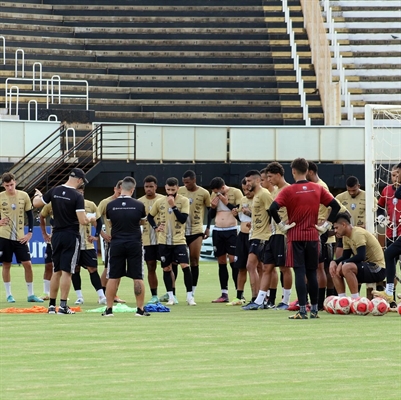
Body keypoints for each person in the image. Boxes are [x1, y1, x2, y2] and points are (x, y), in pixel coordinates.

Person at [269, 158, 340, 319]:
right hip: (313, 236)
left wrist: (281, 226)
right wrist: (326, 226)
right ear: (307, 170)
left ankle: (302, 310)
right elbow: (335, 206)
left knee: (300, 272)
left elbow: (272, 208)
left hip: (295, 236)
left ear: (293, 171)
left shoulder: (287, 191)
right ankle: (314, 310)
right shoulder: (317, 188)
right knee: (312, 272)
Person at [33, 168, 96, 314]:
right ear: (79, 180)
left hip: (56, 234)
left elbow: (37, 203)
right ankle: (62, 306)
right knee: (67, 271)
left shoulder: (54, 191)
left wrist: (38, 195)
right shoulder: (77, 196)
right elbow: (82, 220)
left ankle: (51, 305)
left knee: (57, 270)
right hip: (71, 235)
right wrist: (91, 218)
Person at [103, 176, 149, 317]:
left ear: (120, 188)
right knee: (138, 276)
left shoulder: (110, 205)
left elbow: (110, 224)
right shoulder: (139, 205)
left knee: (113, 276)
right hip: (134, 243)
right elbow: (143, 222)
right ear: (133, 189)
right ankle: (140, 310)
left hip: (116, 243)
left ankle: (109, 309)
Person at [147, 177, 195, 306]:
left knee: (185, 266)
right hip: (163, 241)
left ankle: (190, 296)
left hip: (179, 240)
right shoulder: (159, 201)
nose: (170, 192)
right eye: (168, 189)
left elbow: (183, 219)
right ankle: (170, 297)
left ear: (177, 188)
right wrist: (156, 227)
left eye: (173, 190)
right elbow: (150, 217)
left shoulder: (184, 201)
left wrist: (173, 206)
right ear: (165, 188)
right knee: (166, 268)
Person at [0, 172, 43, 303]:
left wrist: (29, 232)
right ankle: (9, 295)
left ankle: (30, 294)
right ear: (3, 185)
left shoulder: (23, 196)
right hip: (4, 235)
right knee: (6, 264)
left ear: (15, 182)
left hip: (20, 236)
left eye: (12, 184)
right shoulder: (0, 197)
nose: (10, 188)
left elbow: (29, 215)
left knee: (28, 264)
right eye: (7, 185)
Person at [335, 175, 378, 299]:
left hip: (362, 236)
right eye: (349, 190)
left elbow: (375, 216)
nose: (351, 193)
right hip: (346, 236)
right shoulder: (340, 198)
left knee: (356, 263)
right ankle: (341, 296)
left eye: (354, 190)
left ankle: (359, 296)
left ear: (358, 186)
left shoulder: (369, 198)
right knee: (339, 263)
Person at [329, 213, 386, 299]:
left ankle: (355, 299)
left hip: (378, 269)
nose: (335, 231)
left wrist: (343, 263)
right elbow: (346, 256)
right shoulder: (345, 237)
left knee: (346, 267)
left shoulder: (357, 233)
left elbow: (361, 256)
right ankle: (342, 299)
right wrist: (334, 262)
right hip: (365, 267)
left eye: (336, 228)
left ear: (344, 225)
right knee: (334, 268)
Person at [307, 161, 339, 309]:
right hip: (318, 232)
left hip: (323, 235)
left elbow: (334, 207)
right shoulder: (315, 186)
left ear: (311, 172)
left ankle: (321, 302)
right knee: (321, 268)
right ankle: (327, 300)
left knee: (322, 268)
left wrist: (325, 224)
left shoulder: (321, 187)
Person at [241, 170, 274, 310]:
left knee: (251, 265)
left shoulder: (264, 194)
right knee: (261, 268)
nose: (247, 184)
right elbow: (260, 214)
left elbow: (273, 211)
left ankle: (257, 298)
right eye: (246, 181)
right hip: (255, 234)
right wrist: (252, 221)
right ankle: (262, 299)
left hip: (263, 236)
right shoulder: (255, 196)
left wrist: (272, 229)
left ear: (257, 180)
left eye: (249, 181)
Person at [208, 177, 242, 303]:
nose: (217, 194)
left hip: (231, 230)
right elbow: (211, 215)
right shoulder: (214, 194)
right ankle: (224, 293)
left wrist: (226, 202)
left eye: (218, 192)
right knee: (221, 261)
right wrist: (212, 207)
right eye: (215, 192)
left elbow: (238, 213)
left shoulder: (236, 192)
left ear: (223, 187)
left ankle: (239, 293)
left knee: (233, 260)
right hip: (218, 230)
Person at [178, 170, 211, 297]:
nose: (186, 185)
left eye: (188, 182)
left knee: (194, 260)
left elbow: (209, 211)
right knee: (176, 261)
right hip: (180, 231)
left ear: (194, 180)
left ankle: (192, 291)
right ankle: (172, 292)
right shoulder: (180, 191)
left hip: (196, 230)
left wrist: (207, 227)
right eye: (184, 182)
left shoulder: (204, 193)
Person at [72, 184, 106, 305]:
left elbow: (99, 221)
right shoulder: (69, 204)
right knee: (75, 270)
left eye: (81, 192)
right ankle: (79, 296)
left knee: (93, 269)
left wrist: (96, 235)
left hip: (87, 244)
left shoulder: (90, 204)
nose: (79, 195)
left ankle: (101, 296)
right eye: (77, 192)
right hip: (73, 244)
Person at [265, 161, 292, 310]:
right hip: (273, 233)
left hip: (283, 233)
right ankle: (264, 299)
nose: (268, 179)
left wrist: (290, 221)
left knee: (284, 268)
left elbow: (295, 208)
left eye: (270, 176)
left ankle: (286, 300)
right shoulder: (274, 191)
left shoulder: (289, 189)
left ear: (278, 175)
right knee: (267, 267)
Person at [373, 162, 401, 303]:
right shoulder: (387, 190)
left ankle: (390, 292)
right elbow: (379, 206)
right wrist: (382, 218)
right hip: (392, 234)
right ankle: (391, 296)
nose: (394, 178)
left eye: (397, 175)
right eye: (392, 175)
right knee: (390, 260)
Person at [97, 180, 126, 304]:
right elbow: (96, 218)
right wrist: (102, 234)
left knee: (117, 268)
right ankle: (104, 294)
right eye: (119, 191)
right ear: (115, 189)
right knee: (109, 268)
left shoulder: (126, 202)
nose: (120, 194)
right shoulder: (106, 202)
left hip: (124, 239)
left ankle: (112, 293)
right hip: (112, 240)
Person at [138, 175, 164, 304]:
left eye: (151, 187)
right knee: (150, 266)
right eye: (146, 187)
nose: (149, 189)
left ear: (156, 187)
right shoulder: (138, 202)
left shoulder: (163, 200)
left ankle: (171, 293)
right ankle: (154, 295)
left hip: (163, 239)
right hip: (147, 240)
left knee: (168, 266)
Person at [227, 178, 253, 306]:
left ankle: (260, 296)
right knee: (241, 267)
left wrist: (250, 213)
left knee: (257, 267)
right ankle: (239, 296)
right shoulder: (243, 200)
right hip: (242, 236)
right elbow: (243, 218)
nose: (246, 192)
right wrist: (236, 215)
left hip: (254, 236)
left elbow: (263, 217)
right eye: (244, 190)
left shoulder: (259, 198)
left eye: (248, 189)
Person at [39, 203, 54, 300]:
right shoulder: (50, 205)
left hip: (65, 241)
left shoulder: (71, 203)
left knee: (62, 269)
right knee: (48, 265)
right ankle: (46, 292)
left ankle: (59, 293)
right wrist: (44, 233)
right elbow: (41, 216)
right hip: (52, 241)